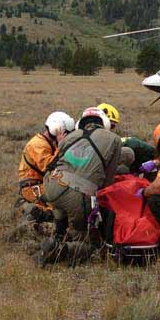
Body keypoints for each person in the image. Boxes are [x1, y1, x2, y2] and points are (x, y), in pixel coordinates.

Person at [37, 107, 123, 264]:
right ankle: (58, 251)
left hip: (52, 186)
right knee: (91, 246)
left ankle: (58, 234)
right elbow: (107, 181)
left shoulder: (71, 137)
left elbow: (55, 163)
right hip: (77, 195)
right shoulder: (114, 139)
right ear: (104, 123)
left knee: (62, 214)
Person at [17, 111, 75, 219]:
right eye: (65, 134)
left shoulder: (48, 142)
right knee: (64, 203)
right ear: (56, 130)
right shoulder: (38, 144)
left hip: (43, 184)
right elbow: (50, 167)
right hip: (32, 188)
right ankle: (31, 209)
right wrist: (61, 145)